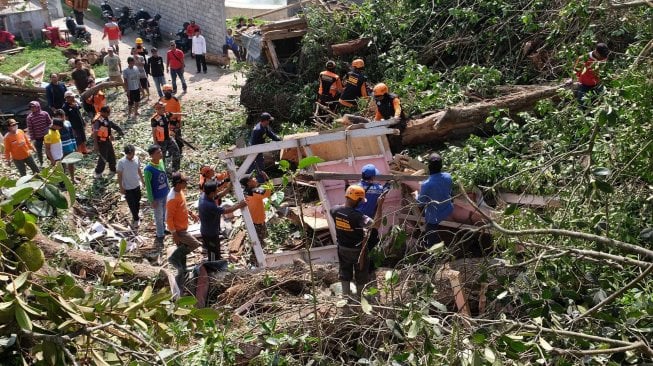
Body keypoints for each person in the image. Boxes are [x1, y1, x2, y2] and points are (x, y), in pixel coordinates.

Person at [330, 185, 385, 300]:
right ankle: (360, 298)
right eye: (360, 200)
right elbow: (376, 224)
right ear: (357, 200)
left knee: (345, 271)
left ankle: (345, 297)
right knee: (361, 273)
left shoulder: (334, 210)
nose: (361, 203)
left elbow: (345, 219)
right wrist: (379, 205)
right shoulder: (358, 217)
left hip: (342, 248)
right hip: (358, 251)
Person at [166, 172, 202, 292]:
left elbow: (183, 207)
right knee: (194, 244)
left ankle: (182, 276)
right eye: (184, 182)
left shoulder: (180, 192)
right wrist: (174, 234)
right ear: (178, 183)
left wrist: (191, 214)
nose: (186, 183)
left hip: (183, 227)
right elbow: (168, 218)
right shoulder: (171, 198)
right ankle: (174, 258)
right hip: (179, 230)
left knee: (183, 256)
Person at [199, 181, 246, 261]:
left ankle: (216, 261)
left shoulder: (205, 195)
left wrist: (228, 188)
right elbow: (226, 211)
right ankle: (213, 266)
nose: (217, 191)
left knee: (215, 249)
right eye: (216, 190)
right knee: (213, 251)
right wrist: (239, 206)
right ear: (211, 192)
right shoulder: (208, 205)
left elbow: (218, 196)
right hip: (210, 233)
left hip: (210, 230)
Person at [416, 153, 454, 248]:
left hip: (435, 215)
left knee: (430, 232)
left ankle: (434, 246)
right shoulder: (448, 176)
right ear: (441, 166)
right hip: (448, 208)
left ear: (428, 167)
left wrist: (416, 194)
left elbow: (420, 203)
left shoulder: (426, 184)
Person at [240, 174, 273, 263]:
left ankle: (256, 259)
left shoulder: (246, 191)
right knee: (259, 243)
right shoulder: (254, 192)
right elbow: (268, 192)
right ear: (249, 183)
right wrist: (267, 179)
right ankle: (255, 262)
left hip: (253, 220)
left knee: (258, 241)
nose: (255, 179)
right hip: (257, 222)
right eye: (253, 178)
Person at [144, 144, 169, 248]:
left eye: (160, 151)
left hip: (165, 193)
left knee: (164, 213)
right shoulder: (148, 169)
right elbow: (148, 186)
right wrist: (151, 200)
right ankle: (160, 234)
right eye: (158, 153)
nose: (160, 154)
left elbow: (165, 176)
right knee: (158, 216)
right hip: (157, 197)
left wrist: (169, 189)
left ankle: (163, 228)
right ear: (152, 155)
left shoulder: (161, 162)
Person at [247, 112, 281, 182]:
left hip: (259, 149)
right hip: (254, 150)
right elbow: (253, 143)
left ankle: (248, 179)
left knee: (255, 165)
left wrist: (279, 139)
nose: (269, 122)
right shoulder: (258, 130)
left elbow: (271, 134)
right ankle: (259, 181)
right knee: (258, 165)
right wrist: (256, 151)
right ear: (265, 120)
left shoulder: (264, 127)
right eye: (268, 120)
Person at [373, 82, 406, 153]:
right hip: (388, 122)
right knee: (384, 135)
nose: (378, 98)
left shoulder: (393, 98)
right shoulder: (378, 101)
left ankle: (401, 152)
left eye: (379, 96)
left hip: (399, 121)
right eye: (376, 96)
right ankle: (390, 153)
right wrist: (375, 121)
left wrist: (396, 117)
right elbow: (379, 112)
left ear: (385, 94)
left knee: (395, 133)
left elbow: (398, 108)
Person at [117, 144, 145, 229]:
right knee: (131, 204)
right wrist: (121, 187)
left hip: (136, 184)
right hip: (128, 187)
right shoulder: (121, 162)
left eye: (133, 153)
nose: (132, 156)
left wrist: (142, 180)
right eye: (130, 154)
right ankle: (136, 219)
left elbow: (138, 169)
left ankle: (136, 214)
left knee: (137, 200)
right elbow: (119, 175)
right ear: (126, 154)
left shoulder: (136, 159)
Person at [574, 43, 609, 109]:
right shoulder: (583, 59)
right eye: (601, 56)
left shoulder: (604, 58)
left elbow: (603, 71)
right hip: (584, 86)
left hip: (598, 85)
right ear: (596, 52)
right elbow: (576, 71)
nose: (602, 58)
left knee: (603, 104)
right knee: (582, 106)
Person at [92, 106, 123, 179]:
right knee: (103, 157)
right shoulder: (98, 121)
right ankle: (98, 172)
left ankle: (113, 169)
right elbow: (95, 133)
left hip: (107, 140)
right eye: (107, 113)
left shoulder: (105, 118)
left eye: (109, 112)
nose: (109, 114)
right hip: (101, 141)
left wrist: (110, 135)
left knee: (111, 154)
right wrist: (95, 144)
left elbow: (107, 126)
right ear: (102, 112)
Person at [150, 101, 181, 173]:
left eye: (164, 107)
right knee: (161, 158)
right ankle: (162, 171)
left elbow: (173, 115)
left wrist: (183, 114)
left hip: (169, 138)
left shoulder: (166, 114)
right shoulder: (154, 119)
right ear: (158, 109)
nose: (164, 108)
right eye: (162, 108)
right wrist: (155, 142)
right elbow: (154, 131)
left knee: (176, 152)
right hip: (161, 141)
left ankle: (175, 170)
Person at [52, 109, 77, 182]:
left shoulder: (68, 123)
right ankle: (63, 182)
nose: (61, 119)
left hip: (69, 147)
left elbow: (72, 135)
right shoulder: (54, 127)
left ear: (64, 116)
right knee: (62, 166)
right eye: (58, 118)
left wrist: (74, 146)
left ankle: (72, 178)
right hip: (60, 149)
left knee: (71, 163)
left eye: (62, 117)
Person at [26, 100, 52, 166]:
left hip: (47, 135)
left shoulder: (44, 113)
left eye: (34, 107)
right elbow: (30, 129)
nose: (33, 108)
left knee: (49, 148)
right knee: (39, 151)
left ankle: (51, 160)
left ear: (38, 106)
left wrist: (49, 131)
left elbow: (50, 123)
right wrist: (33, 138)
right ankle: (41, 162)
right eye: (31, 107)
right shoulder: (29, 117)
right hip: (37, 137)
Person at [159, 85, 184, 154]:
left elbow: (179, 111)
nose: (167, 92)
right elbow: (159, 111)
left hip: (174, 121)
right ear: (163, 92)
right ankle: (170, 150)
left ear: (171, 91)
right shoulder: (161, 100)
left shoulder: (175, 100)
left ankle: (180, 149)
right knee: (167, 136)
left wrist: (179, 121)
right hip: (165, 121)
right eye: (165, 91)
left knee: (177, 136)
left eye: (169, 91)